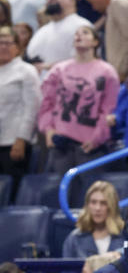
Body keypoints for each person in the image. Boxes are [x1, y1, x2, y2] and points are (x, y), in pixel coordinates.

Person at [39, 26, 120, 173]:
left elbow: (109, 109)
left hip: (90, 147)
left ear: (96, 42)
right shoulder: (59, 69)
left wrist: (97, 138)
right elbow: (47, 104)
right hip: (61, 144)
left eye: (85, 33)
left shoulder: (107, 72)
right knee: (59, 191)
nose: (79, 36)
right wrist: (49, 130)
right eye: (76, 33)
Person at [0, 28, 41, 190]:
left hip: (13, 141)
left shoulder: (26, 71)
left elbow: (32, 107)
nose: (4, 47)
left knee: (11, 188)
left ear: (18, 47)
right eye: (0, 43)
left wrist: (22, 139)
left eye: (9, 43)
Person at [26, 0, 89, 73]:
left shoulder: (82, 26)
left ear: (72, 0)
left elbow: (85, 61)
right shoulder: (42, 31)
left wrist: (48, 66)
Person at [61, 181, 127, 260]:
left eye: (103, 203)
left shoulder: (124, 236)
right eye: (93, 202)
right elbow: (67, 272)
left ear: (112, 207)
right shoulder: (74, 239)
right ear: (87, 205)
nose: (97, 208)